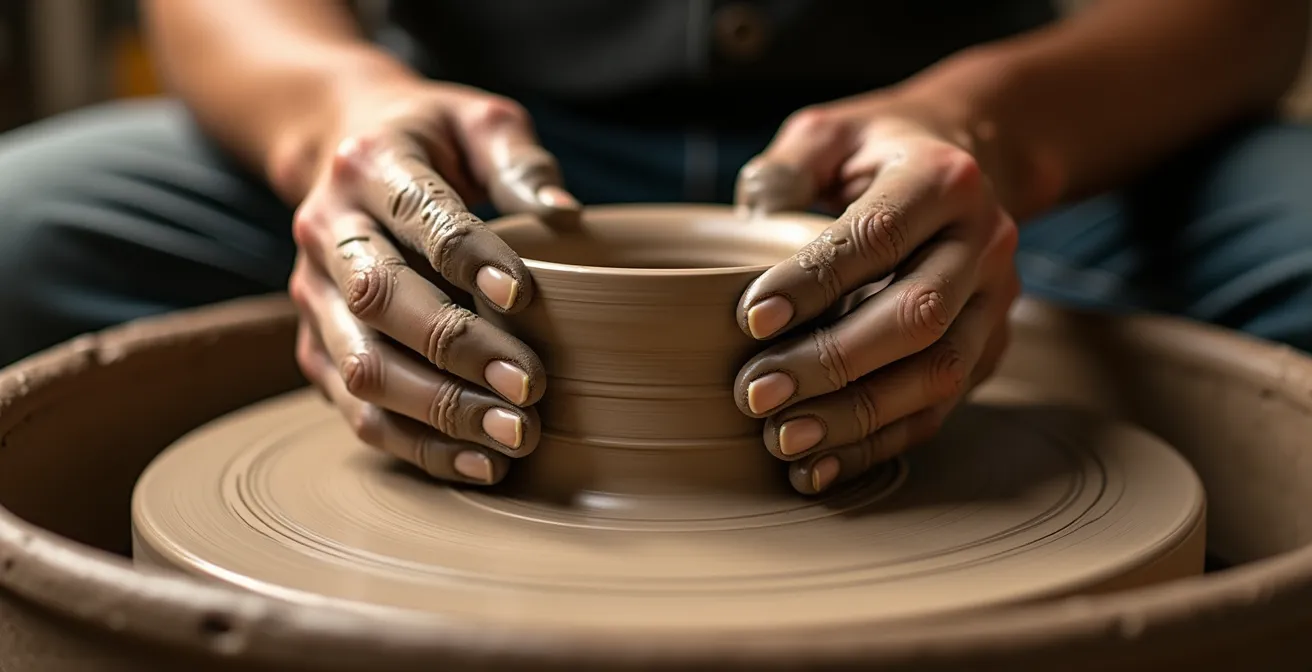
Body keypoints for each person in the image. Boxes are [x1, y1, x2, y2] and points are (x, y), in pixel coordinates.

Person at [0, 1, 1308, 495]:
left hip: (973, 148)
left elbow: (1245, 18)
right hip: (475, 147)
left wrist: (991, 134)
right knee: (23, 233)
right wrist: (330, 117)